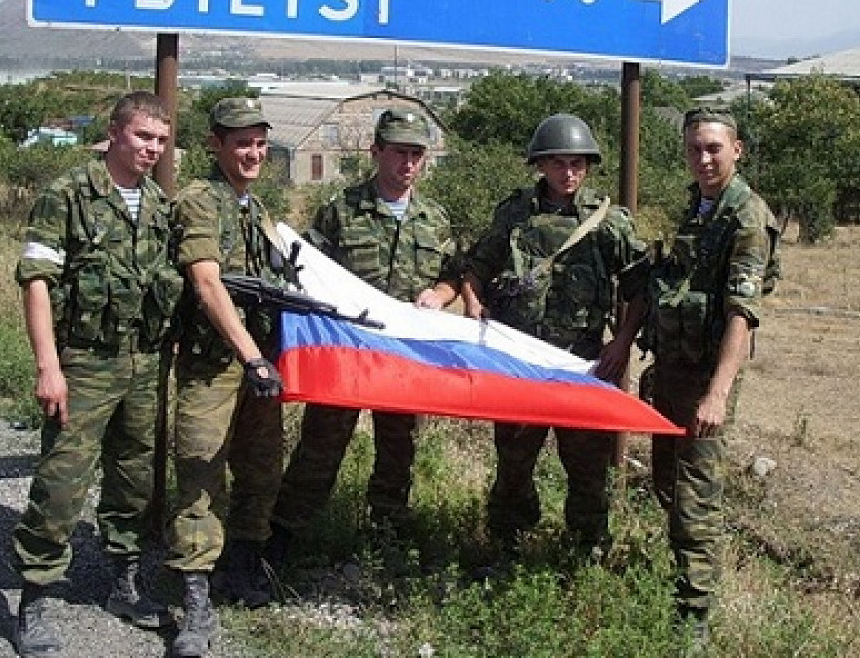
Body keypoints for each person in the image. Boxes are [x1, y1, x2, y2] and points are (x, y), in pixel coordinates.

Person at [11, 91, 182, 657]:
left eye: (160, 140)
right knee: (62, 481)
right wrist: (48, 367)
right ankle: (35, 595)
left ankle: (123, 583)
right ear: (115, 132)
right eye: (142, 137)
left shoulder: (158, 204)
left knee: (133, 480)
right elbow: (37, 280)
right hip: (83, 361)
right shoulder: (67, 195)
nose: (151, 149)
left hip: (143, 361)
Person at [267, 107, 461, 568]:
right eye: (398, 153)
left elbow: (455, 275)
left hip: (404, 355)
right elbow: (304, 266)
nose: (407, 164)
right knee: (322, 443)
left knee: (399, 447)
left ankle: (386, 535)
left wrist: (438, 294)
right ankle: (285, 537)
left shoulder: (435, 218)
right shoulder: (341, 210)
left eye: (416, 154)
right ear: (376, 153)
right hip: (347, 351)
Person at [461, 113, 645, 557]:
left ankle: (586, 550)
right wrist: (472, 303)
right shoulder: (515, 213)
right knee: (514, 458)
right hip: (520, 362)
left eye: (578, 164)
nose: (569, 174)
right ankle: (508, 542)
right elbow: (475, 267)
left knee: (586, 465)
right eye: (559, 163)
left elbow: (641, 288)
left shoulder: (609, 222)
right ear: (540, 165)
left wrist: (620, 344)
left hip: (581, 364)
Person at [635, 107, 778, 648]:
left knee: (696, 495)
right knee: (667, 482)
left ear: (736, 149)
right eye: (695, 147)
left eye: (714, 148)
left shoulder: (745, 218)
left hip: (703, 383)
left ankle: (693, 617)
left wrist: (717, 395)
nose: (704, 157)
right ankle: (678, 582)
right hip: (671, 370)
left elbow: (742, 313)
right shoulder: (697, 208)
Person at [164, 97, 291, 657]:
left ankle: (244, 563)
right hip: (216, 364)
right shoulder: (200, 201)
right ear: (216, 143)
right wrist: (251, 357)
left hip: (256, 362)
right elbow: (207, 285)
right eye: (242, 142)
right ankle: (195, 596)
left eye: (260, 142)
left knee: (262, 467)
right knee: (200, 470)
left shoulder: (255, 208)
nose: (253, 152)